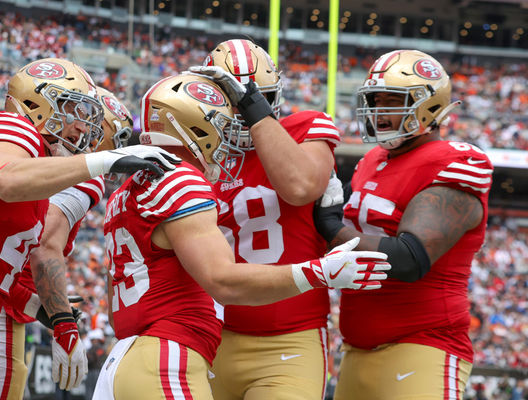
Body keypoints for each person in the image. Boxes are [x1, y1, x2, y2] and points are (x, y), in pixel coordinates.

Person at [93, 73, 391, 400]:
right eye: (220, 126)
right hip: (167, 356)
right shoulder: (180, 179)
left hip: (128, 355)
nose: (227, 140)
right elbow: (223, 281)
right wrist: (317, 272)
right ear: (193, 128)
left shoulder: (128, 189)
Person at [0, 57, 179, 399]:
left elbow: (0, 272)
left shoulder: (40, 182)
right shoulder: (14, 128)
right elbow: (6, 180)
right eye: (73, 110)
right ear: (36, 103)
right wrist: (100, 161)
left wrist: (49, 314)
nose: (83, 129)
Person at [313, 49, 493, 399]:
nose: (379, 111)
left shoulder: (455, 162)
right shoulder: (373, 160)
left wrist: (333, 229)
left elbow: (408, 258)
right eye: (374, 100)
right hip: (355, 349)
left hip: (422, 348)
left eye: (392, 101)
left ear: (427, 105)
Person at [190, 39, 341, 400]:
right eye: (231, 100)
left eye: (251, 99)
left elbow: (299, 186)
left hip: (290, 338)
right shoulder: (197, 153)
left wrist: (255, 110)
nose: (240, 111)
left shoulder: (306, 127)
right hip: (209, 336)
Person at [0, 85, 135, 399]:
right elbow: (42, 245)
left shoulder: (24, 151)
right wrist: (62, 321)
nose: (84, 128)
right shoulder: (84, 173)